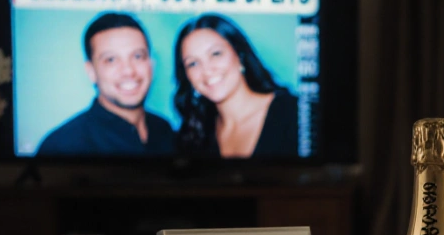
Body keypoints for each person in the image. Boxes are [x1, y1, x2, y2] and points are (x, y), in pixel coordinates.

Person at [37, 12, 175, 155]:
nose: (128, 71)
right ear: (91, 71)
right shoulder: (62, 146)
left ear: (151, 64)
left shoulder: (164, 131)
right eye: (111, 60)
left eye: (138, 56)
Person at [173, 14, 298, 157]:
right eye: (193, 63)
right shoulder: (194, 136)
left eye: (215, 54)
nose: (206, 70)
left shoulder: (294, 114)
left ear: (240, 55)